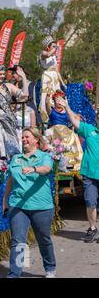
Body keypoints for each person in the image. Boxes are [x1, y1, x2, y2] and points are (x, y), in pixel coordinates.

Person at [3, 128, 56, 278]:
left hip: (41, 206)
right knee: (18, 240)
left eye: (27, 137)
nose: (24, 139)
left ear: (36, 140)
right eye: (23, 137)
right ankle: (15, 273)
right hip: (18, 204)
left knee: (43, 238)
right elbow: (11, 180)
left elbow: (46, 169)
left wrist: (33, 168)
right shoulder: (16, 158)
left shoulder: (44, 156)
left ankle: (50, 268)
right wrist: (5, 200)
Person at [61, 98, 99, 243]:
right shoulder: (90, 129)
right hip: (90, 173)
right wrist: (67, 107)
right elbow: (74, 121)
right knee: (90, 201)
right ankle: (92, 228)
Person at [0, 65, 29, 159]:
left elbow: (24, 96)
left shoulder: (8, 86)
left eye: (3, 74)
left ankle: (10, 157)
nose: (2, 76)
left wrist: (23, 77)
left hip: (8, 116)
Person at [44, 90, 83, 170]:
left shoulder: (66, 112)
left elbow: (75, 118)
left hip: (66, 131)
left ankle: (72, 161)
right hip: (55, 130)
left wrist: (75, 114)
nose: (59, 102)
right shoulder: (52, 110)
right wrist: (47, 96)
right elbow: (47, 104)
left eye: (61, 99)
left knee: (73, 136)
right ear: (54, 101)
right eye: (57, 100)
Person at [39, 35, 65, 123]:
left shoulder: (54, 58)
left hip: (55, 78)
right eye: (53, 46)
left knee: (57, 96)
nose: (55, 48)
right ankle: (45, 118)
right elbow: (48, 54)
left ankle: (58, 115)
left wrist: (62, 83)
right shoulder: (43, 53)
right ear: (48, 47)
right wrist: (56, 48)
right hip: (47, 77)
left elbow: (57, 71)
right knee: (46, 96)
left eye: (55, 46)